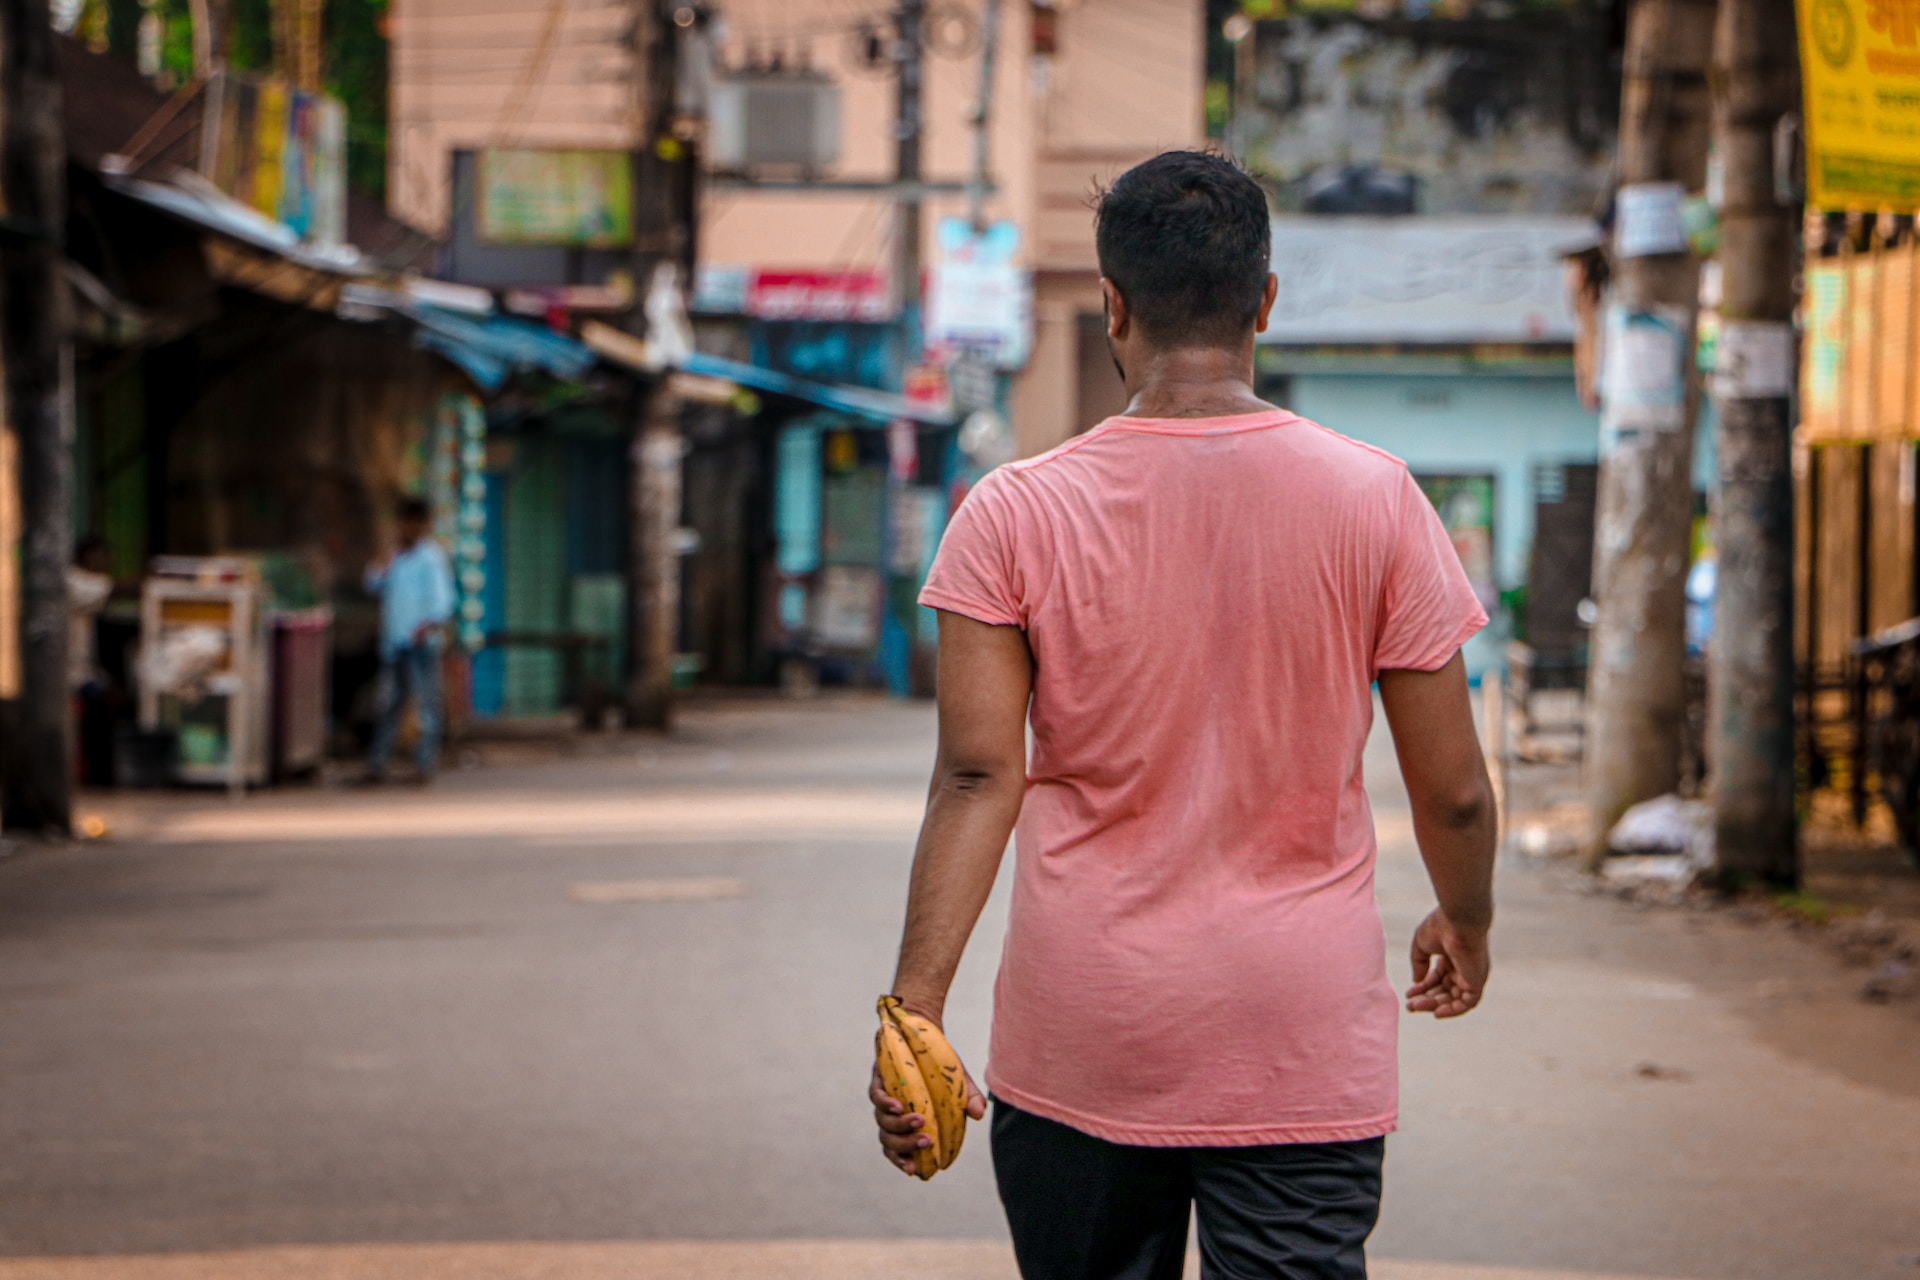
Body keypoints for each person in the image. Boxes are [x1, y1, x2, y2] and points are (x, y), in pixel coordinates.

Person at [869, 150, 1497, 1280]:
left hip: (1084, 1033)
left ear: (1113, 305)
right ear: (1265, 300)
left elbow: (976, 778)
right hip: (1297, 1039)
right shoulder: (1377, 497)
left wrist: (914, 1008)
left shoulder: (1013, 512)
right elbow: (1451, 786)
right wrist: (1467, 917)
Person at [364, 497, 456, 784]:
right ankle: (378, 764)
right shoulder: (397, 557)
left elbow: (443, 603)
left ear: (422, 525)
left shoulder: (431, 557)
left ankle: (423, 764)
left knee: (426, 705)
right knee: (389, 703)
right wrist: (384, 556)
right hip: (394, 644)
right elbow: (373, 585)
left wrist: (426, 627)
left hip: (420, 644)